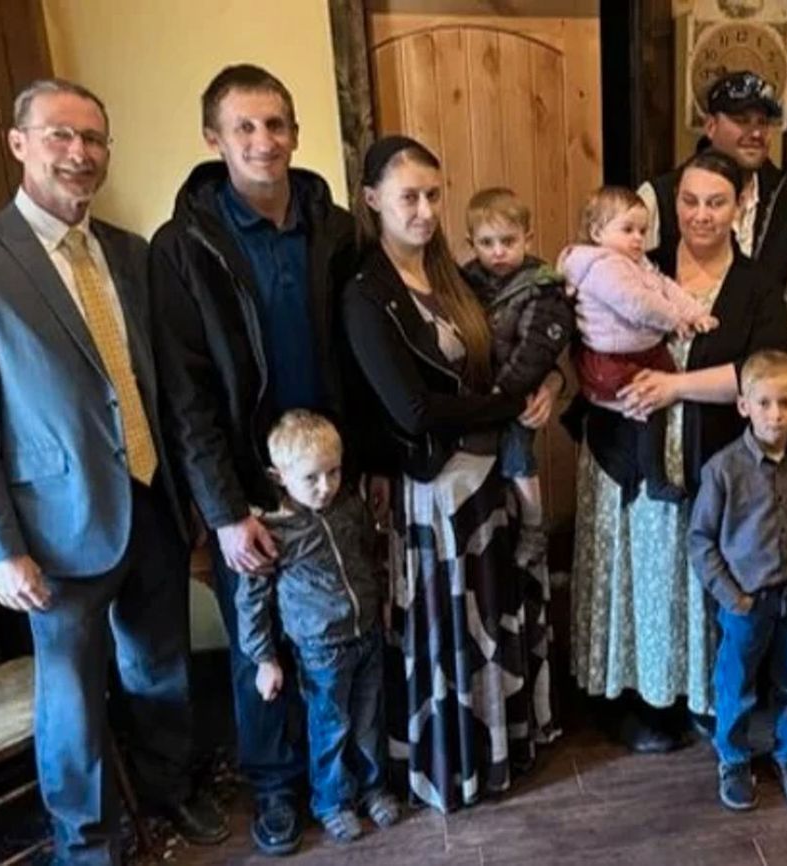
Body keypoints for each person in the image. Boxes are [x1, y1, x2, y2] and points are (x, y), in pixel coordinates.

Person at [0, 78, 224, 862]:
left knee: (161, 666)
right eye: (61, 136)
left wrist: (190, 500)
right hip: (53, 532)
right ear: (19, 142)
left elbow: (154, 383)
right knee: (73, 701)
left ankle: (170, 795)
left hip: (152, 502)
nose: (80, 154)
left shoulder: (128, 252)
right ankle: (86, 843)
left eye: (94, 139)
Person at [149, 63, 360, 854]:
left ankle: (345, 772)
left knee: (340, 629)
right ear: (215, 139)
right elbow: (185, 393)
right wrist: (224, 512)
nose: (264, 141)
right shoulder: (184, 246)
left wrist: (363, 467)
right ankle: (275, 788)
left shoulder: (335, 229)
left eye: (276, 125)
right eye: (245, 127)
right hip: (248, 485)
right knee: (259, 645)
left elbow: (357, 352)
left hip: (331, 472)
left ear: (297, 134)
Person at [343, 135, 560, 812]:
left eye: (435, 194)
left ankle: (504, 749)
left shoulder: (458, 276)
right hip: (438, 491)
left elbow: (518, 350)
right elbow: (412, 410)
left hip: (492, 477)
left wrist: (552, 376)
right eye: (409, 196)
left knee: (496, 625)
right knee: (457, 631)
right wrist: (505, 405)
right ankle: (458, 762)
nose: (425, 210)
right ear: (374, 199)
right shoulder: (365, 293)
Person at [569, 149, 787, 752]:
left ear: (740, 205)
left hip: (706, 454)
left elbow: (763, 373)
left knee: (689, 578)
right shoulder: (640, 260)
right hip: (624, 450)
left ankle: (695, 692)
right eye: (689, 201)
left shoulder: (756, 287)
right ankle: (635, 700)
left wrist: (675, 387)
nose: (700, 214)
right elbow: (580, 327)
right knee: (636, 577)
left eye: (715, 202)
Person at [235, 411, 404, 844]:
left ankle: (374, 787)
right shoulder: (274, 528)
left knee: (369, 719)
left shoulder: (349, 506)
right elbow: (252, 599)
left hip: (364, 632)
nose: (325, 486)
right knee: (330, 727)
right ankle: (331, 801)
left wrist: (383, 602)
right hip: (318, 649)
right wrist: (264, 658)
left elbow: (370, 557)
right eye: (312, 478)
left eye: (333, 472)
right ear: (280, 476)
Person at [690, 350, 787, 812]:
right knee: (736, 681)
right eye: (765, 402)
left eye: (786, 403)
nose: (776, 414)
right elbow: (701, 541)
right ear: (743, 405)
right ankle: (732, 757)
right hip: (747, 601)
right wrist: (732, 596)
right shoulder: (723, 469)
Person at [562, 186, 719, 501]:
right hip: (612, 360)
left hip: (640, 352)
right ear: (597, 232)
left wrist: (696, 312)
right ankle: (656, 479)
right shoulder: (603, 266)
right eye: (628, 230)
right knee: (649, 405)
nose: (638, 238)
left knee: (665, 376)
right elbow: (638, 304)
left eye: (643, 231)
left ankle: (579, 408)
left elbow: (664, 287)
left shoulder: (636, 263)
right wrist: (676, 320)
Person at [641, 71, 787, 355]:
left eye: (763, 122)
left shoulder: (784, 197)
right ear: (710, 126)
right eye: (742, 120)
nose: (756, 133)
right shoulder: (658, 195)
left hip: (758, 381)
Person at [460, 187, 574, 563]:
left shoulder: (542, 287)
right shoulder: (465, 282)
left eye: (508, 241)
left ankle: (534, 526)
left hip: (513, 393)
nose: (498, 252)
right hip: (477, 397)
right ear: (471, 243)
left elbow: (536, 350)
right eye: (487, 242)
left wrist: (501, 392)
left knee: (516, 456)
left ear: (527, 237)